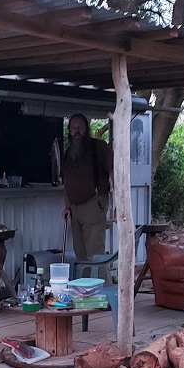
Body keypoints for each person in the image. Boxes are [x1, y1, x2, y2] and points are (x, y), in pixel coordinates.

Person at [61, 113, 114, 264]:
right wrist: (67, 207)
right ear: (69, 131)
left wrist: (119, 205)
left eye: (80, 127)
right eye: (73, 128)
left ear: (87, 129)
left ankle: (103, 287)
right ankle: (85, 288)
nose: (76, 131)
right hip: (75, 210)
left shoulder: (98, 147)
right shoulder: (68, 154)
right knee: (81, 257)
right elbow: (66, 183)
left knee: (95, 255)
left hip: (94, 205)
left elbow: (114, 172)